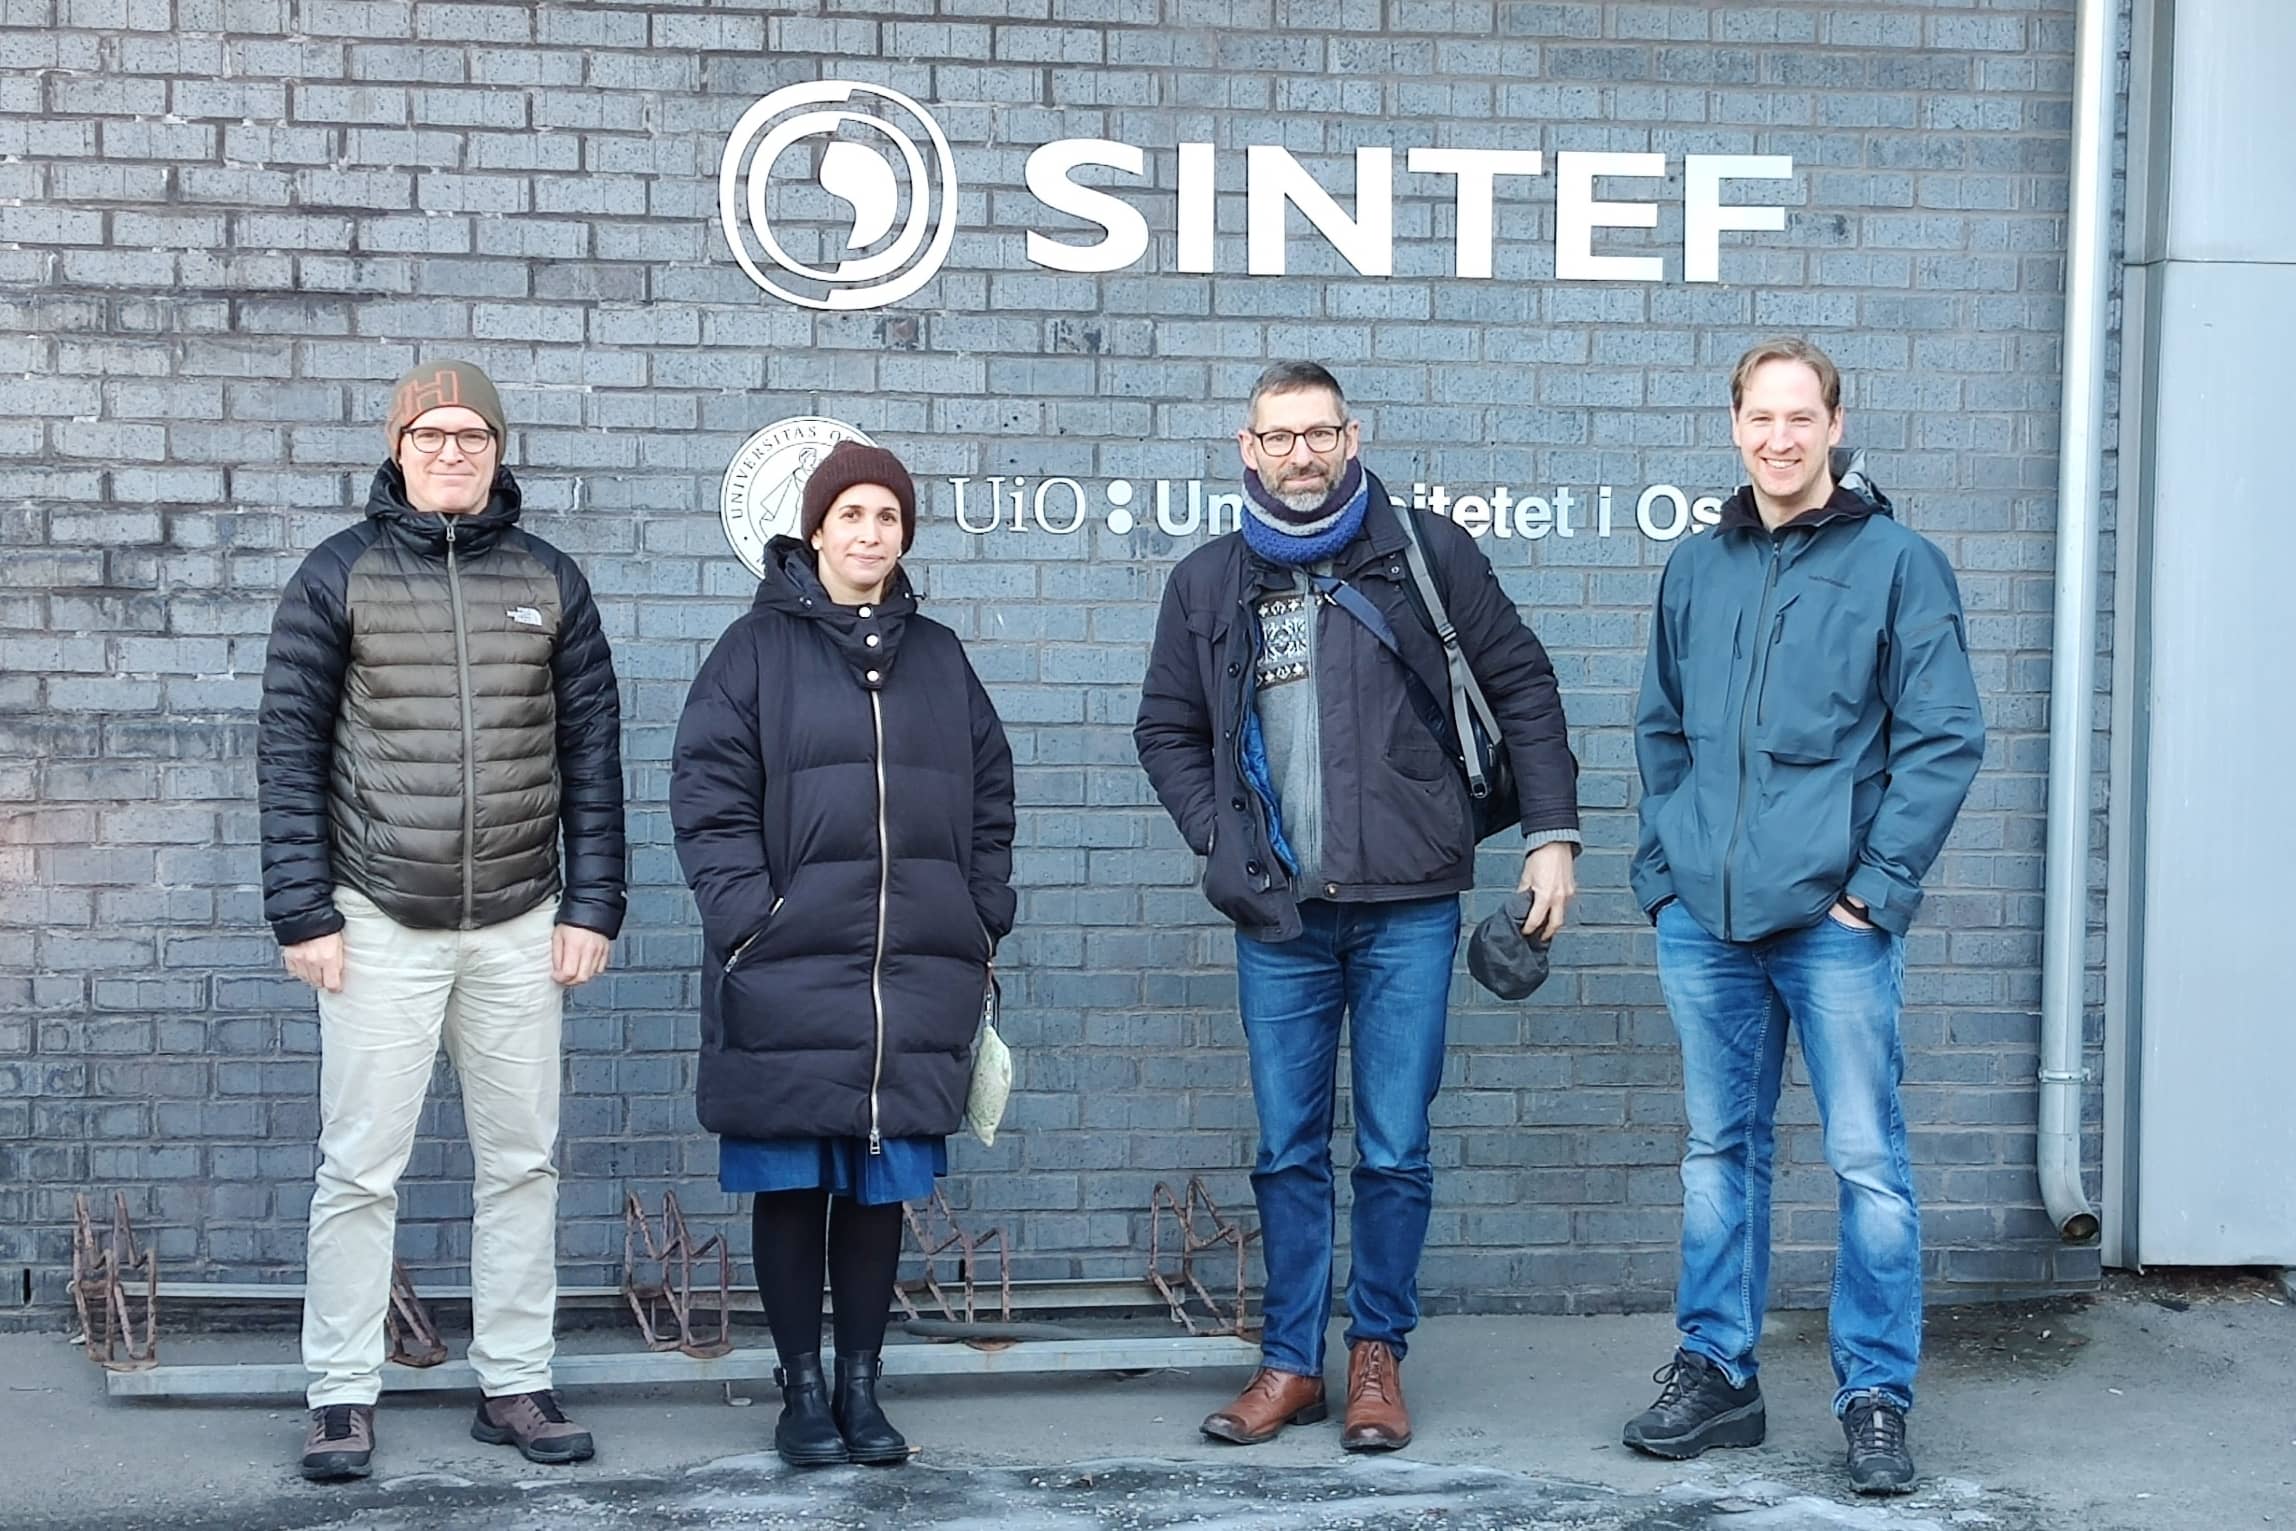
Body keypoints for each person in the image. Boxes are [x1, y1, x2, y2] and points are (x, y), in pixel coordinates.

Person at [1134, 361, 1581, 1452]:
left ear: (1353, 435)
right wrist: (1220, 837)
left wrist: (1551, 839)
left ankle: (1377, 1353)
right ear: (1248, 449)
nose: (1302, 453)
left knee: (1392, 1148)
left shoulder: (1426, 554)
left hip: (1407, 905)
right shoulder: (1208, 582)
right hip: (1278, 915)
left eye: (1320, 433)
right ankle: (1291, 1363)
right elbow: (1166, 730)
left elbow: (1524, 686)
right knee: (1287, 1150)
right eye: (1280, 436)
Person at [1625, 337, 1986, 1495]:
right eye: (1759, 418)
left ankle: (1874, 1394)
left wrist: (1874, 889)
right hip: (1706, 921)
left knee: (1865, 1160)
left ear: (1833, 424)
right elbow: (1660, 728)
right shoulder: (1696, 567)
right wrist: (1663, 872)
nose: (1777, 439)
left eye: (1799, 417)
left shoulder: (1898, 564)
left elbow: (1944, 737)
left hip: (1832, 925)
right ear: (1733, 426)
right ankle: (1717, 1371)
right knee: (1717, 1154)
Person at [258, 359, 626, 1481]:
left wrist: (594, 902)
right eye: (432, 434)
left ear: (498, 451)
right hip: (376, 918)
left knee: (521, 1163)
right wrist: (304, 909)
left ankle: (515, 1380)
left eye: (473, 434)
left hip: (520, 917)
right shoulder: (339, 574)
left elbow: (592, 754)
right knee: (359, 1169)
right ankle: (340, 1392)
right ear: (399, 448)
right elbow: (288, 750)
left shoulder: (550, 579)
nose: (453, 451)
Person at [670, 440, 1016, 1470]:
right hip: (788, 966)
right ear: (815, 528)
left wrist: (978, 911)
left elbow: (990, 794)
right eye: (852, 514)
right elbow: (707, 796)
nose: (871, 533)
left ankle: (862, 1388)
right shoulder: (752, 652)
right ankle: (801, 1390)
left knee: (878, 1189)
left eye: (888, 517)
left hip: (912, 970)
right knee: (792, 1184)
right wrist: (750, 920)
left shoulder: (940, 657)